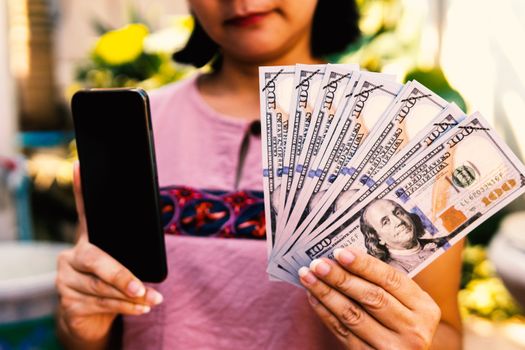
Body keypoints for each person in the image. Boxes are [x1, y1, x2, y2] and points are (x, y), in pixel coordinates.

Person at [56, 1, 464, 349]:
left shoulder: (406, 132)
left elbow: (441, 331)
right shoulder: (130, 128)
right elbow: (94, 322)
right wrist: (80, 327)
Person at [360, 198, 450, 273]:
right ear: (379, 238)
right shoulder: (389, 272)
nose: (399, 221)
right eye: (386, 222)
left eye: (398, 213)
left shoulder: (444, 241)